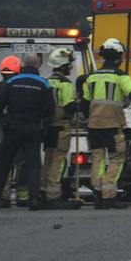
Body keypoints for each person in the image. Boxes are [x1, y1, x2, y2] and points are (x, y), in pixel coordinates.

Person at [82, 38, 131, 209]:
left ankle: (98, 195)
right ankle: (109, 195)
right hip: (113, 126)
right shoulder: (120, 76)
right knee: (117, 158)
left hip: (93, 127)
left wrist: (89, 119)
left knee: (98, 159)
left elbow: (85, 104)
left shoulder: (91, 77)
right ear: (118, 58)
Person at [0, 53, 55, 211]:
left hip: (12, 128)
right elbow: (50, 109)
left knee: (5, 163)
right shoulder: (44, 84)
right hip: (33, 128)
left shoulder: (12, 81)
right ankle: (34, 199)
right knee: (32, 164)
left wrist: (2, 120)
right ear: (38, 65)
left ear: (22, 65)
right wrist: (40, 119)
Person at [41, 48, 81, 210]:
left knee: (48, 160)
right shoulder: (66, 84)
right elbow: (70, 106)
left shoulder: (46, 82)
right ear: (63, 64)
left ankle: (44, 191)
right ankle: (54, 196)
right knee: (58, 161)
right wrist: (81, 103)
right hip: (62, 127)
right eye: (69, 63)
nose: (71, 66)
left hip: (48, 127)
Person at [0, 55, 32, 208]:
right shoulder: (18, 85)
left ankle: (3, 196)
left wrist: (1, 120)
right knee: (22, 163)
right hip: (18, 127)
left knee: (3, 163)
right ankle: (23, 196)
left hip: (3, 129)